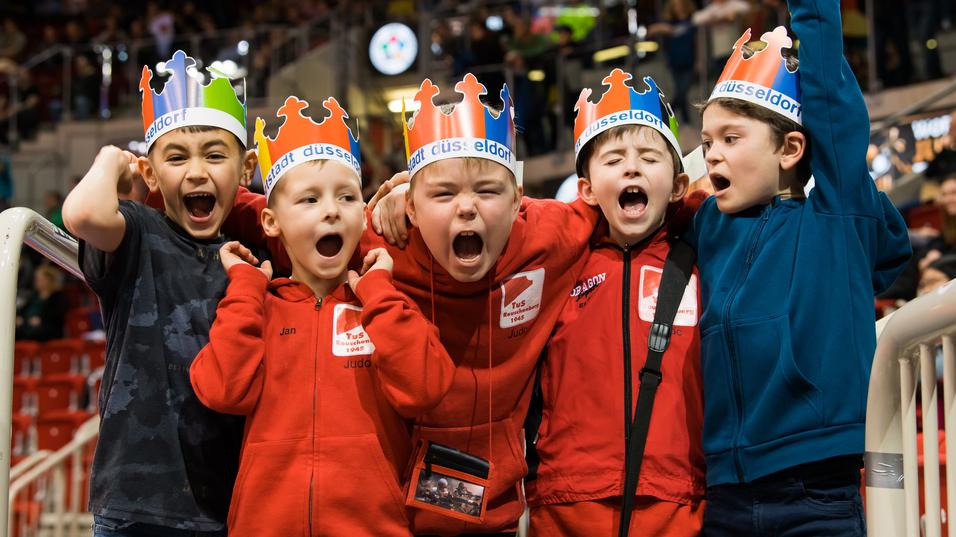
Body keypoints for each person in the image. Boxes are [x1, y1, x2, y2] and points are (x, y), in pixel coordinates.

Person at [221, 73, 602, 535]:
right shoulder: (372, 244)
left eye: (487, 190)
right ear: (413, 210)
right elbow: (277, 211)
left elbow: (647, 206)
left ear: (519, 197)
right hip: (402, 513)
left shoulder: (553, 236)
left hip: (497, 512)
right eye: (442, 193)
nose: (467, 208)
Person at [690, 1, 911, 533]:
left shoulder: (837, 217)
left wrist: (812, 12)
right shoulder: (709, 225)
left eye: (731, 139)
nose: (711, 155)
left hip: (817, 492)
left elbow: (835, 112)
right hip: (724, 493)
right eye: (705, 142)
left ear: (790, 148)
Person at [189, 95, 456, 536]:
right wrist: (245, 289)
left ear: (361, 215)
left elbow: (425, 388)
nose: (331, 209)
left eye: (347, 197)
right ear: (272, 223)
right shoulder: (258, 306)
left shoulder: (383, 306)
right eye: (309, 199)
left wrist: (380, 294)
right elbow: (222, 390)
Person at [61, 50, 254, 537]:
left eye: (214, 155)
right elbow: (83, 215)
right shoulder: (137, 231)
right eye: (175, 157)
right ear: (150, 175)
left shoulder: (249, 256)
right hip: (134, 502)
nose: (195, 172)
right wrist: (110, 159)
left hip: (225, 500)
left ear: (245, 168)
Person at [524, 69, 706, 536]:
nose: (632, 168)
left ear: (679, 184)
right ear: (585, 190)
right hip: (567, 501)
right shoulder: (560, 264)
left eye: (649, 157)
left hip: (676, 500)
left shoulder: (705, 259)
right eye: (613, 160)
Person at [15, 263, 68, 342]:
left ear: (48, 280)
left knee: (35, 332)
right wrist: (21, 319)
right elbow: (22, 311)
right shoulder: (33, 296)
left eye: (39, 279)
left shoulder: (58, 297)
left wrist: (41, 320)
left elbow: (56, 317)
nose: (36, 282)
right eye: (36, 279)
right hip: (26, 325)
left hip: (46, 330)